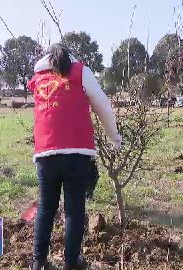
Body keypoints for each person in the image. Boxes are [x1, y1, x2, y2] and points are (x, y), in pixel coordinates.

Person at [27, 43, 122, 270]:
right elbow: (103, 106)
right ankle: (72, 262)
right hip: (77, 153)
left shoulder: (38, 78)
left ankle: (38, 263)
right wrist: (114, 137)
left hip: (45, 153)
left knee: (46, 208)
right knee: (74, 210)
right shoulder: (80, 71)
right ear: (70, 56)